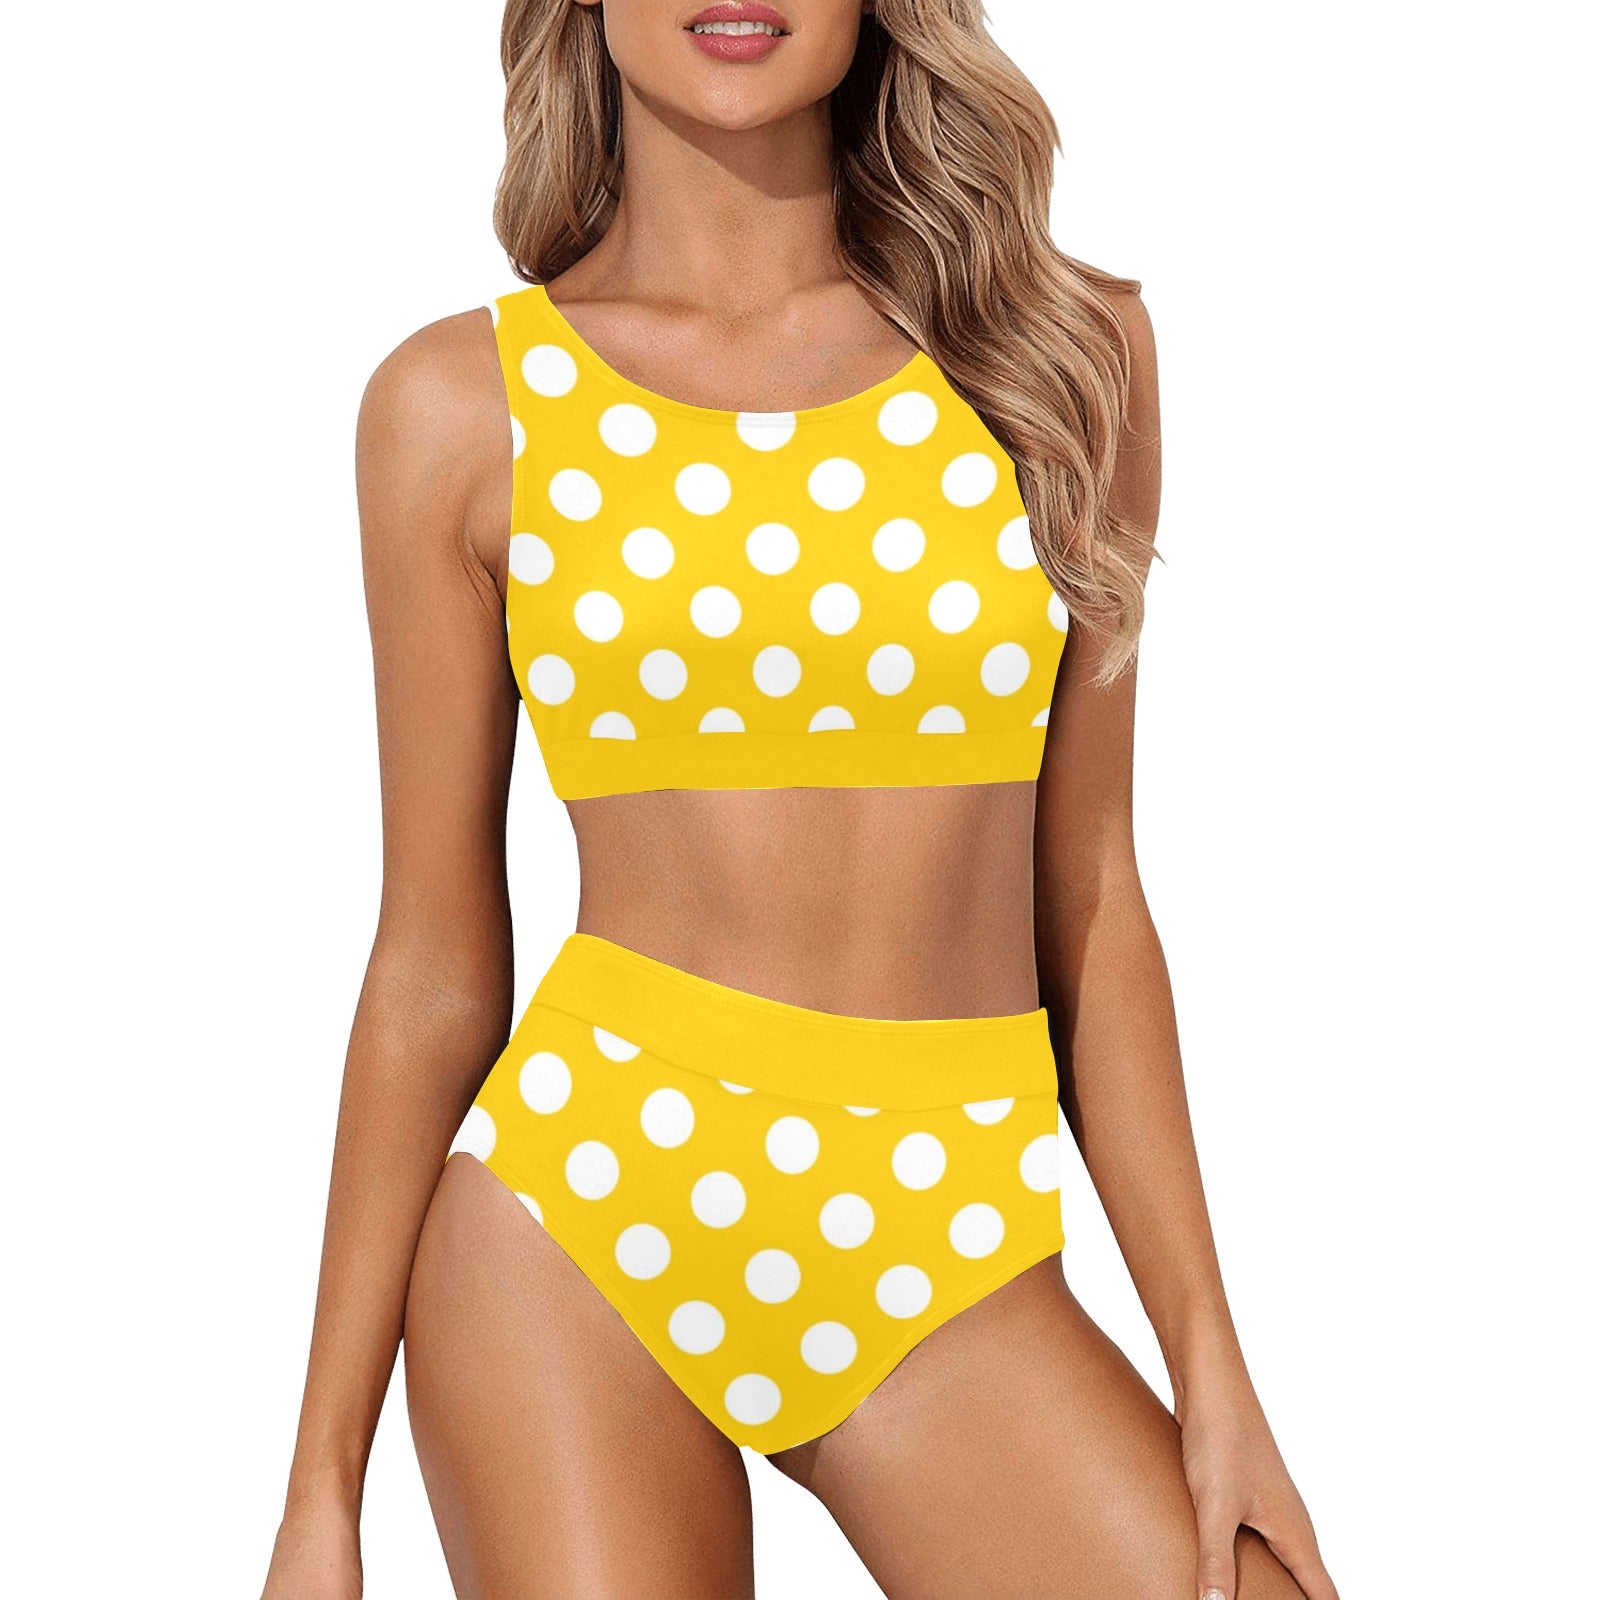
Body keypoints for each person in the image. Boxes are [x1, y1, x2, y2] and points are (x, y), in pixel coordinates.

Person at [263, 2, 1337, 1595]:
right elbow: (432, 956)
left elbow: (1095, 901)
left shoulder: (1056, 356)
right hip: (579, 1221)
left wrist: (1215, 1372)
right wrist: (320, 1491)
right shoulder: (461, 409)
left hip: (950, 1242)